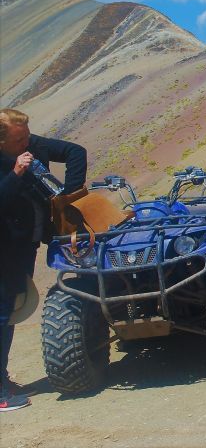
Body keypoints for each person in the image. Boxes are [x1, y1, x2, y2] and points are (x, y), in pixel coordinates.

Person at [0, 109, 87, 412]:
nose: (27, 142)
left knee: (10, 311)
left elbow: (75, 152)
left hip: (24, 245)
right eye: (18, 139)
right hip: (4, 248)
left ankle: (2, 379)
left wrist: (69, 197)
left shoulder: (30, 144)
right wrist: (16, 174)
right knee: (2, 312)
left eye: (27, 135)